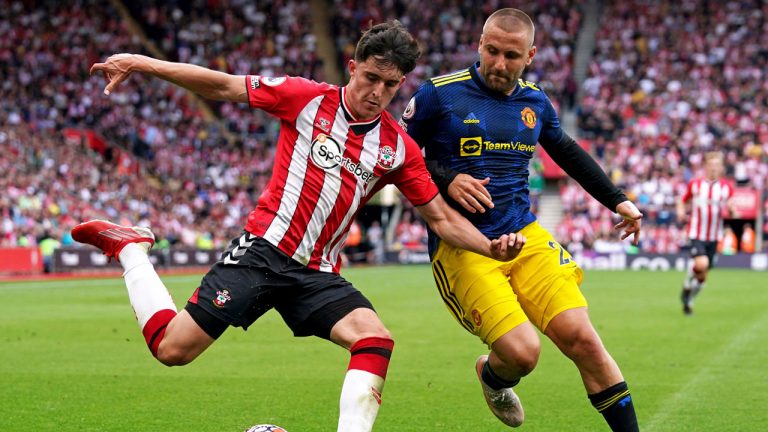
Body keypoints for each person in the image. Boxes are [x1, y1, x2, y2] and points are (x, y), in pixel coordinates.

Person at [77, 21, 526, 432]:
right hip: (262, 252)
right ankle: (133, 250)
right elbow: (224, 86)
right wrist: (143, 63)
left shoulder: (398, 148)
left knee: (374, 339)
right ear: (352, 68)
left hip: (317, 274)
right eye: (370, 78)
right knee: (171, 350)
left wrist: (491, 248)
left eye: (390, 85)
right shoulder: (305, 98)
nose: (377, 92)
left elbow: (442, 217)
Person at [400, 9, 642, 431]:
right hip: (465, 245)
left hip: (525, 234)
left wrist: (617, 200)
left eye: (511, 55)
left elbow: (567, 152)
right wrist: (445, 176)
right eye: (491, 51)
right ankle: (493, 377)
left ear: (529, 55)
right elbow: (396, 155)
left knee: (584, 340)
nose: (498, 63)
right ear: (479, 44)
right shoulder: (439, 95)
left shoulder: (535, 101)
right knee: (523, 354)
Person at [676, 151, 733, 315]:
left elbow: (732, 209)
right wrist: (680, 211)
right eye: (711, 165)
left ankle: (689, 297)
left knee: (702, 277)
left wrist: (732, 210)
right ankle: (687, 285)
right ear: (706, 166)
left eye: (717, 165)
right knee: (702, 264)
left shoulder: (726, 187)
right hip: (696, 233)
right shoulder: (695, 184)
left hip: (714, 236)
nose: (714, 168)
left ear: (721, 167)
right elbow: (682, 200)